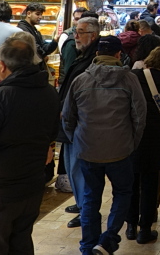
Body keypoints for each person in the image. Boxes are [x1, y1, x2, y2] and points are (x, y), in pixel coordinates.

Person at [0, 32, 60, 255]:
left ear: (2, 66)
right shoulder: (49, 92)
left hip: (2, 187)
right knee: (21, 240)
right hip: (32, 183)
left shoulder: (0, 97)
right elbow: (53, 134)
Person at [63, 35, 146, 255]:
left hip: (88, 150)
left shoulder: (80, 80)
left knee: (90, 197)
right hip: (120, 150)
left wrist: (78, 140)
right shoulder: (129, 80)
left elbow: (67, 117)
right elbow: (139, 116)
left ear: (97, 54)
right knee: (123, 192)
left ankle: (88, 246)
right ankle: (107, 240)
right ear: (119, 55)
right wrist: (131, 142)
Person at [127, 46, 160, 244]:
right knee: (150, 184)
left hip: (130, 137)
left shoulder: (132, 76)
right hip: (155, 139)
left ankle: (130, 226)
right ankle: (145, 229)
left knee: (131, 182)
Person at [57, 16, 102, 225]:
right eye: (76, 31)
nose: (76, 36)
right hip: (70, 121)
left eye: (80, 32)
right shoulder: (82, 55)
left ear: (92, 35)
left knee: (78, 168)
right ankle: (81, 203)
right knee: (71, 165)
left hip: (79, 124)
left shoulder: (93, 59)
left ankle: (86, 210)